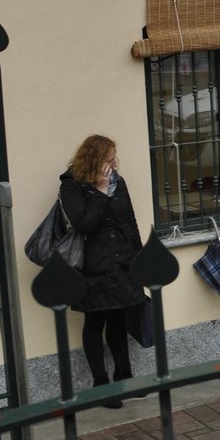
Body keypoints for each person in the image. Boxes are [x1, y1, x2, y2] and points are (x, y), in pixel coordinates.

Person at [59, 135, 144, 405]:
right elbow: (85, 224)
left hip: (122, 262)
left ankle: (124, 377)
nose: (115, 163)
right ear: (96, 161)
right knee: (95, 322)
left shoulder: (119, 182)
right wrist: (100, 190)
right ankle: (101, 385)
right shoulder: (71, 187)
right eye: (109, 160)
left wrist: (139, 257)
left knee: (119, 320)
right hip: (93, 266)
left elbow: (129, 220)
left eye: (114, 158)